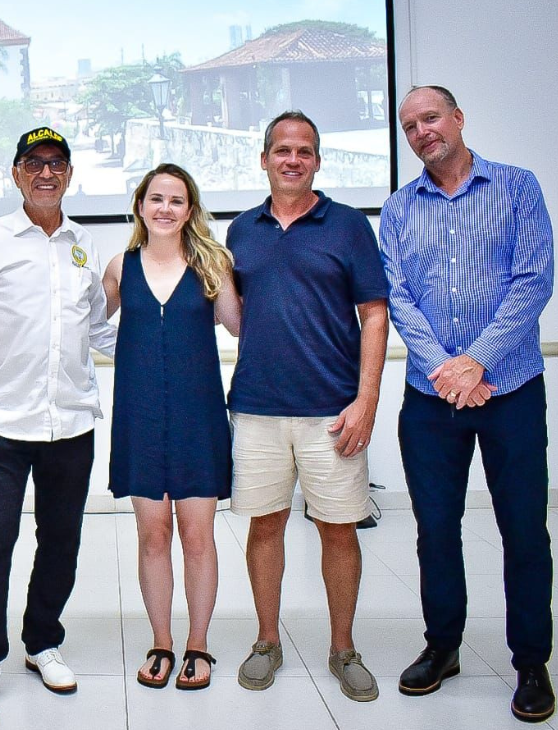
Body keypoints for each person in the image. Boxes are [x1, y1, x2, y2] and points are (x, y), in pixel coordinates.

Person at [381, 85, 556, 723]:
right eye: (410, 125)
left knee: (524, 532)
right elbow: (399, 297)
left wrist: (476, 361)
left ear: (457, 118)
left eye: (431, 117)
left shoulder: (517, 187)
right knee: (435, 532)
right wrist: (446, 370)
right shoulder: (399, 209)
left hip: (509, 388)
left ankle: (531, 662)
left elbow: (534, 279)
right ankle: (443, 646)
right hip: (432, 399)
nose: (422, 130)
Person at [0, 127, 117, 722]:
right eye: (34, 164)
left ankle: (43, 641)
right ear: (16, 174)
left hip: (70, 420)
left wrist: (161, 336)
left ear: (70, 174)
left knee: (61, 541)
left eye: (56, 164)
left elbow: (99, 329)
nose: (46, 173)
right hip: (1, 418)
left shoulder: (85, 245)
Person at [226, 111, 389, 702]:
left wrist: (366, 399)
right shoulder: (242, 229)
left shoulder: (347, 226)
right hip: (258, 408)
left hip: (332, 411)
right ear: (264, 159)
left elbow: (375, 312)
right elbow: (236, 315)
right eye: (281, 150)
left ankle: (343, 649)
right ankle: (267, 641)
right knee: (264, 524)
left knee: (339, 531)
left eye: (304, 151)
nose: (292, 159)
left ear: (318, 161)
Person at [103, 163, 241, 691]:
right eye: (156, 198)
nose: (165, 208)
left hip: (197, 417)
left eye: (176, 200)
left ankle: (198, 644)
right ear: (140, 205)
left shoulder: (212, 266)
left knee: (198, 536)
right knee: (152, 534)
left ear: (190, 209)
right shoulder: (120, 266)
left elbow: (241, 325)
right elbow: (87, 323)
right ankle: (161, 641)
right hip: (138, 418)